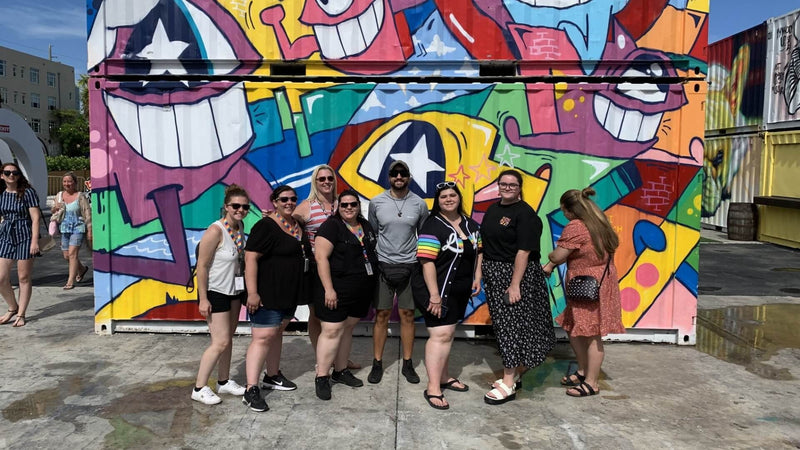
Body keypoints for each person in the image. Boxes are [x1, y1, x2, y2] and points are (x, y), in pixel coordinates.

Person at [479, 169, 555, 405]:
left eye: (513, 185)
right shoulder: (493, 209)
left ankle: (509, 381)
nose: (508, 188)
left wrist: (515, 285)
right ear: (498, 185)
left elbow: (524, 251)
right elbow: (485, 245)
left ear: (520, 187)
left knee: (510, 327)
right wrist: (479, 274)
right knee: (504, 326)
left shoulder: (525, 214)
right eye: (504, 184)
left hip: (514, 275)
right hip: (494, 274)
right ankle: (515, 372)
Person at [543, 187, 624, 398]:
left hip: (586, 287)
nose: (563, 215)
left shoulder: (576, 226)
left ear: (570, 209)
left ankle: (591, 382)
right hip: (600, 283)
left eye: (563, 211)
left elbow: (558, 256)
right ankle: (582, 371)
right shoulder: (600, 222)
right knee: (574, 327)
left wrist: (551, 258)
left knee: (591, 335)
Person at [241, 185, 312, 412]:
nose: (289, 202)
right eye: (284, 199)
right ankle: (251, 388)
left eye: (292, 199)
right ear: (274, 201)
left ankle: (272, 375)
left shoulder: (296, 225)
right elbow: (250, 258)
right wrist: (252, 292)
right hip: (267, 292)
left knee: (276, 333)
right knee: (262, 337)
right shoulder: (266, 226)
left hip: (288, 293)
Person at [414, 182, 482, 410]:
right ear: (438, 200)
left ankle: (443, 377)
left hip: (459, 289)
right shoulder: (432, 225)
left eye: (453, 195)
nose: (449, 199)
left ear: (459, 198)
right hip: (437, 290)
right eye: (443, 196)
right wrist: (434, 295)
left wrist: (477, 276)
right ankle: (433, 387)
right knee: (440, 334)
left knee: (448, 333)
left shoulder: (470, 224)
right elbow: (426, 261)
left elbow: (478, 251)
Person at [313, 190, 379, 400]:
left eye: (353, 204)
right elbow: (321, 258)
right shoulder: (332, 226)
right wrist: (329, 289)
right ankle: (322, 376)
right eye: (344, 205)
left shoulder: (364, 224)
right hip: (337, 288)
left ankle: (340, 371)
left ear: (358, 206)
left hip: (360, 288)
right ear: (338, 207)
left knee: (348, 328)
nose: (349, 208)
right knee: (331, 330)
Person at [367, 160, 428, 385]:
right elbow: (373, 231)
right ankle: (377, 362)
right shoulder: (376, 202)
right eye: (395, 173)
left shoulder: (419, 204)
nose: (399, 177)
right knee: (381, 315)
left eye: (403, 173)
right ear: (389, 177)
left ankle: (408, 363)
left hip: (410, 265)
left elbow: (423, 234)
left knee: (407, 315)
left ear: (409, 177)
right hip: (384, 265)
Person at [293, 165, 360, 371]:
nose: (326, 182)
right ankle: (321, 358)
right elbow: (288, 225)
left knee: (341, 317)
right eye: (321, 179)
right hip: (315, 268)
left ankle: (338, 359)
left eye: (329, 178)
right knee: (317, 316)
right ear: (315, 181)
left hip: (342, 268)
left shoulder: (343, 203)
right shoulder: (307, 206)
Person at [190, 184, 250, 405]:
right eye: (236, 206)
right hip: (215, 292)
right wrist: (203, 298)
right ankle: (199, 387)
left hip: (233, 290)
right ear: (226, 206)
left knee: (228, 339)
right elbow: (202, 266)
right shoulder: (216, 230)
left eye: (245, 206)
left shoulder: (240, 227)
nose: (240, 210)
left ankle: (223, 381)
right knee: (220, 341)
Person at [0, 162, 41, 328]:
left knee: (23, 277)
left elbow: (36, 218)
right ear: (1, 175)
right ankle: (12, 307)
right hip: (6, 236)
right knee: (1, 278)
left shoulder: (27, 193)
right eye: (8, 172)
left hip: (25, 235)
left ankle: (21, 313)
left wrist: (34, 241)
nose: (11, 175)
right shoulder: (2, 195)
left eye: (15, 173)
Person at [51, 172, 92, 290]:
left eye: (69, 181)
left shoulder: (80, 196)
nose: (67, 184)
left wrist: (89, 230)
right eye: (64, 181)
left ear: (75, 183)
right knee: (66, 255)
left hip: (78, 227)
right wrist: (55, 207)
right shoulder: (59, 195)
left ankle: (70, 281)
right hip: (64, 228)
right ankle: (82, 269)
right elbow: (54, 211)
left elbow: (87, 213)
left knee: (73, 254)